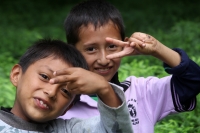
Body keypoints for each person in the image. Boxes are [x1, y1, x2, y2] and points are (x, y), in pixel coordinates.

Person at [59, 0, 200, 132]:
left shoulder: (141, 93)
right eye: (91, 49)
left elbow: (193, 81)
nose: (103, 59)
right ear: (72, 51)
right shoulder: (60, 100)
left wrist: (157, 49)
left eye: (112, 46)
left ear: (124, 45)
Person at [0, 39, 133, 133]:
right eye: (45, 77)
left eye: (65, 91)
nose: (51, 92)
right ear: (17, 75)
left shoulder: (68, 130)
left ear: (68, 107)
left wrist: (104, 89)